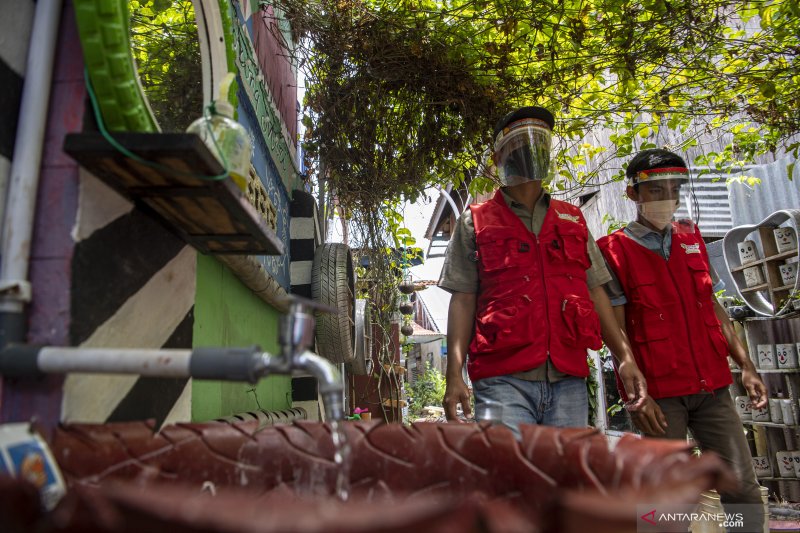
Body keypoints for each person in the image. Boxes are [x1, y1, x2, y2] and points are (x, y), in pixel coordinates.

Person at [438, 106, 647, 438]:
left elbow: (596, 292)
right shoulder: (474, 222)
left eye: (538, 144)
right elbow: (462, 300)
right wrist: (453, 376)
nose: (529, 153)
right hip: (501, 377)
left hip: (568, 378)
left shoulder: (572, 219)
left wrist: (624, 357)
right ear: (498, 159)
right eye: (519, 145)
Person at [597, 148, 767, 532]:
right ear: (633, 196)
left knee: (741, 487)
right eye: (656, 191)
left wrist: (746, 364)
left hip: (713, 386)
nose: (666, 199)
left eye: (674, 190)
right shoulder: (614, 250)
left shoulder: (692, 240)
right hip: (659, 393)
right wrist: (635, 396)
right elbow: (616, 330)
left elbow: (714, 308)